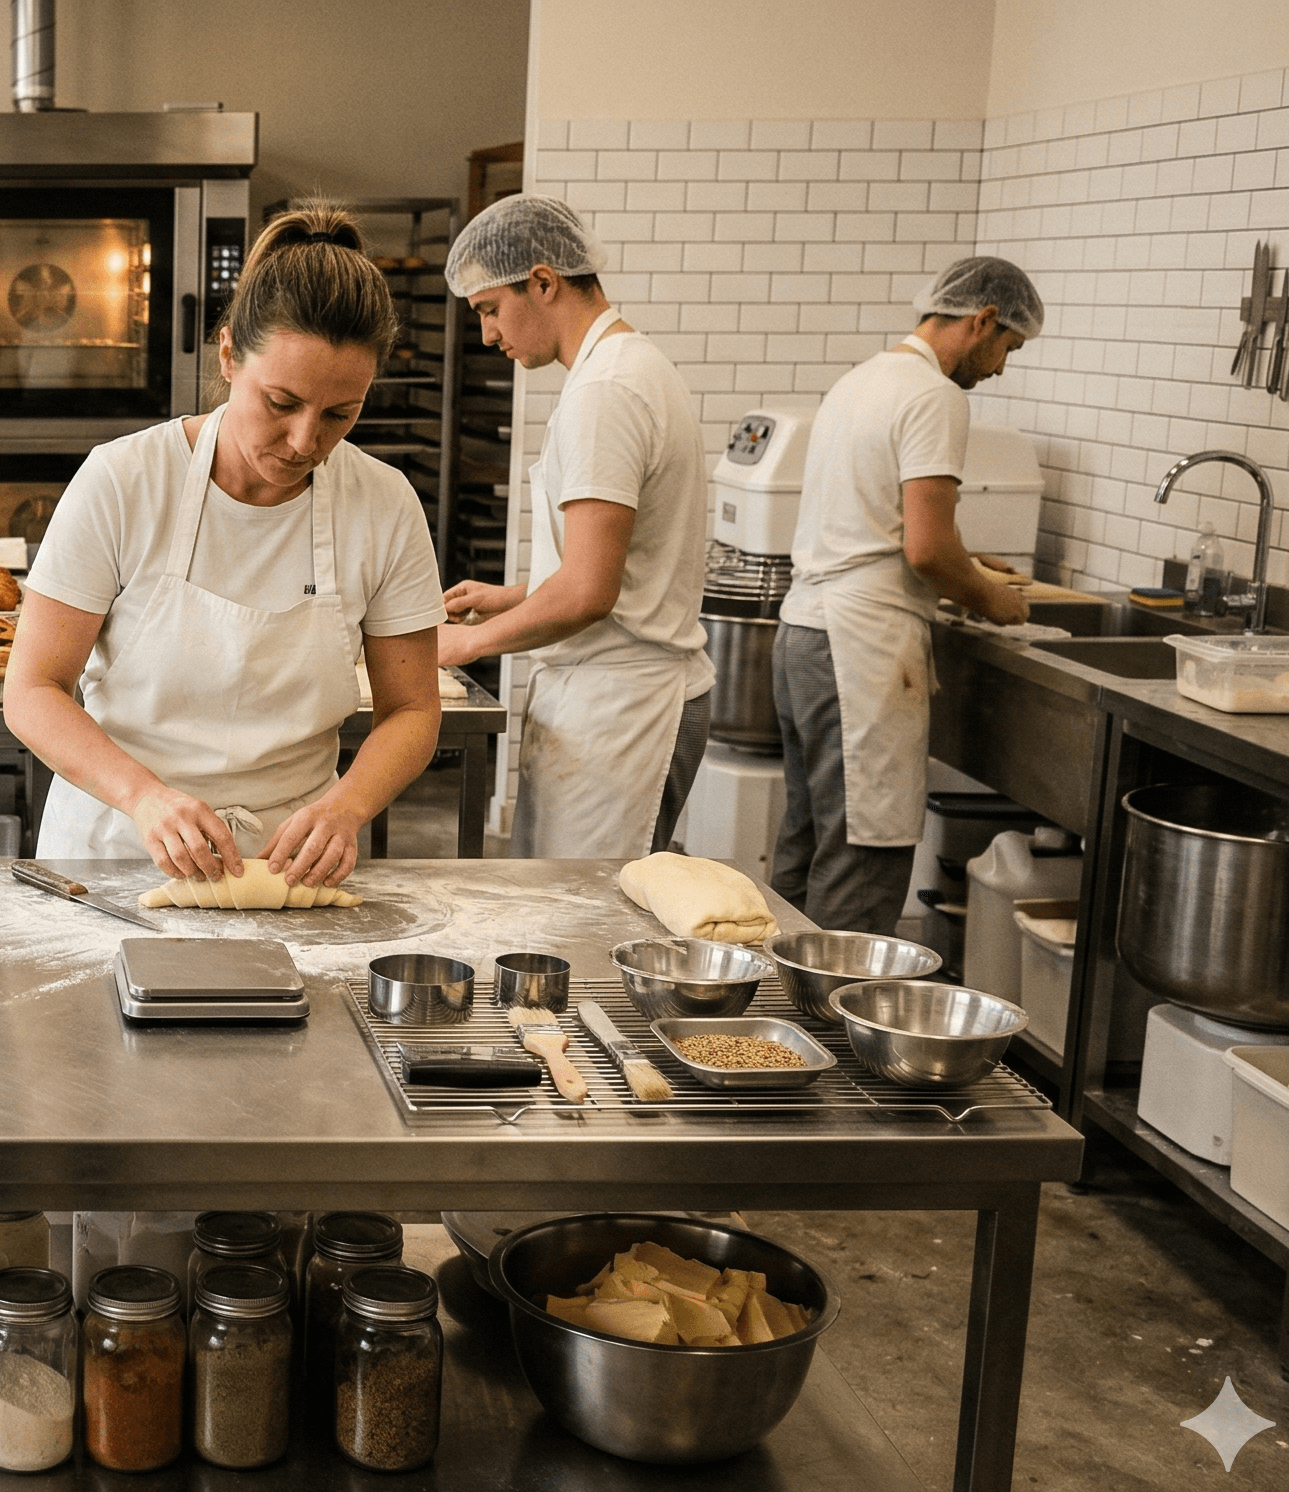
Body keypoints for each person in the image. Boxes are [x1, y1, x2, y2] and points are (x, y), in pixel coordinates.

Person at [4, 208, 446, 886]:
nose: (305, 441)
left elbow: (413, 708)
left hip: (291, 867)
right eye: (281, 402)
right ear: (228, 356)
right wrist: (144, 796)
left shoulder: (383, 505)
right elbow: (34, 688)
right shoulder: (125, 480)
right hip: (116, 853)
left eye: (339, 414)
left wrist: (347, 808)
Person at [435, 194, 714, 859]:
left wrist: (462, 648)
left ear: (542, 282)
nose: (488, 335)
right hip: (614, 693)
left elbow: (590, 590)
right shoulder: (623, 370)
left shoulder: (606, 392)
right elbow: (615, 564)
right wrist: (515, 596)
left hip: (626, 709)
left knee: (589, 926)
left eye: (490, 311)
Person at [772, 256, 1041, 936]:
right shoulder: (936, 396)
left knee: (809, 842)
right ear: (982, 321)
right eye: (1007, 346)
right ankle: (830, 1026)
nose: (1002, 366)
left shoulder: (860, 381)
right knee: (864, 850)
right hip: (860, 648)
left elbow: (873, 518)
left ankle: (776, 1015)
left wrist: (964, 558)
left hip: (804, 633)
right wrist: (990, 597)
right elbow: (925, 550)